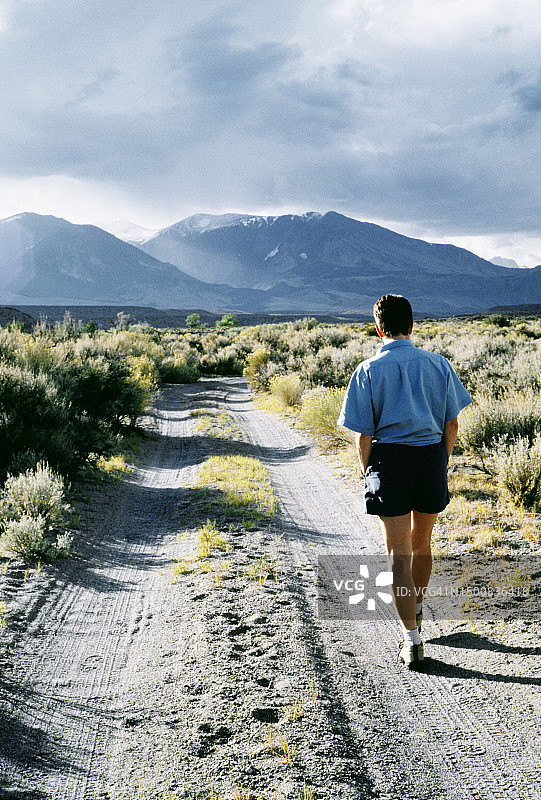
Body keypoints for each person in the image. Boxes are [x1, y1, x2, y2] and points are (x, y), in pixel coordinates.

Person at [338, 294, 472, 669]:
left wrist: (367, 470)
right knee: (422, 544)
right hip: (430, 456)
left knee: (398, 552)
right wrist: (440, 460)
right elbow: (452, 423)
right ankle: (416, 609)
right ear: (412, 326)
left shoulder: (367, 370)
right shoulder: (438, 364)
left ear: (378, 328)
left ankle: (410, 639)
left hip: (389, 461)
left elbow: (362, 435)